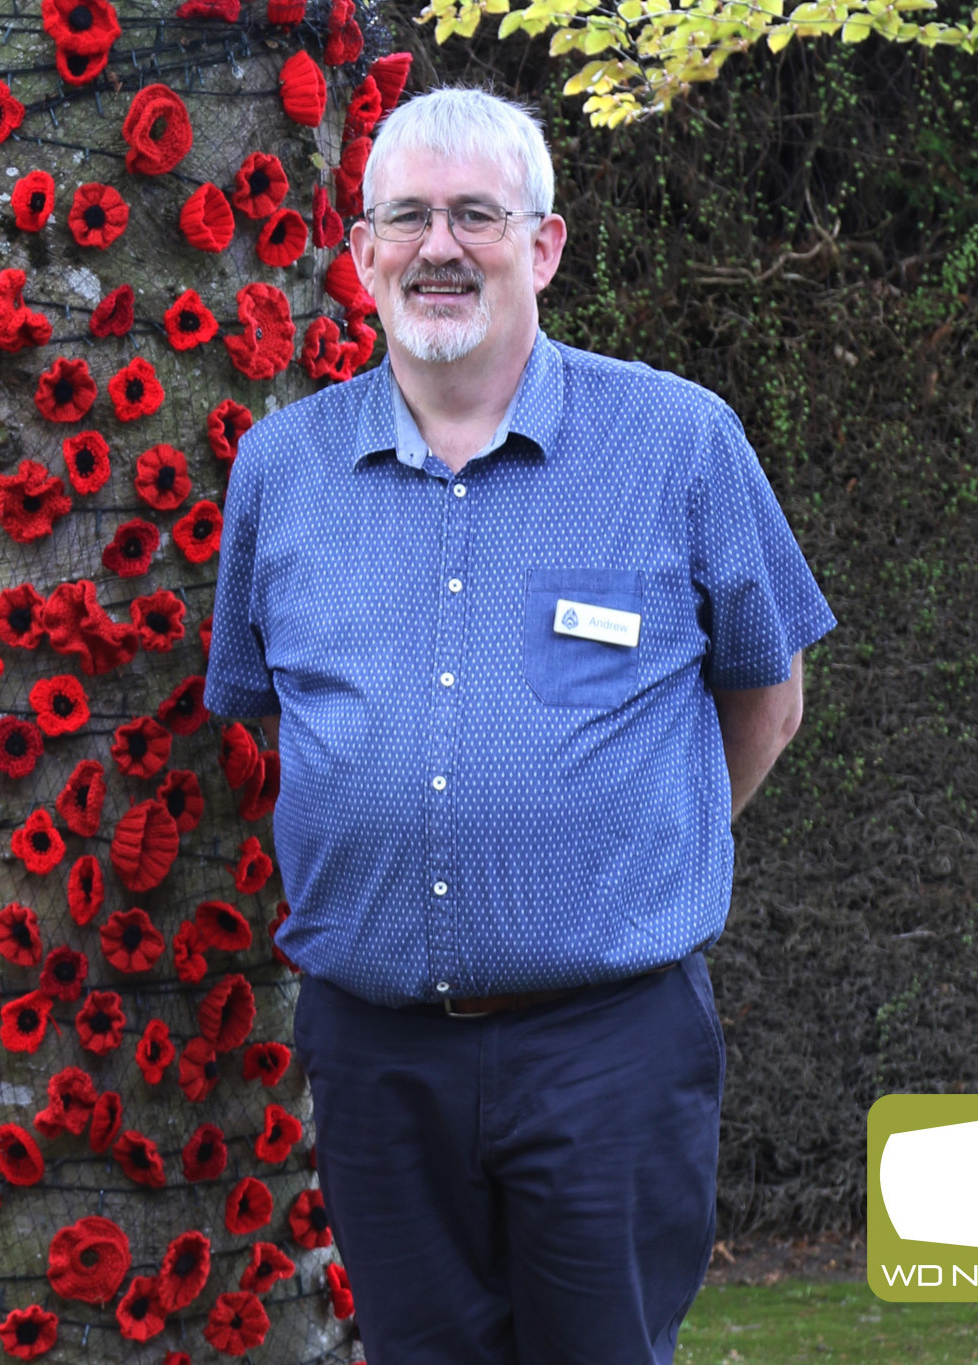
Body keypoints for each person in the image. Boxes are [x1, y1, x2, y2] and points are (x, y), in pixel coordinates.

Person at [205, 88, 836, 1364]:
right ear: (363, 250)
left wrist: (623, 863)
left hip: (604, 1048)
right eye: (407, 217)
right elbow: (278, 723)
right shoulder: (279, 470)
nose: (439, 246)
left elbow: (765, 701)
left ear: (541, 245)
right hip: (376, 1057)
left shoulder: (677, 441)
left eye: (476, 216)